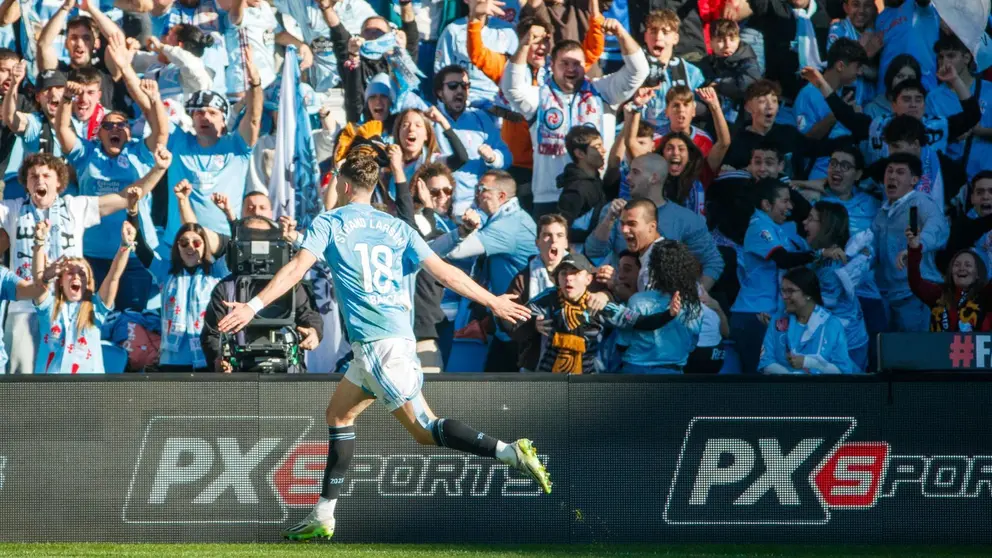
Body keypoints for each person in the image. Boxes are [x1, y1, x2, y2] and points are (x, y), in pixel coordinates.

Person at [216, 153, 550, 541]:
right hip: (390, 338)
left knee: (425, 431)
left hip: (377, 344)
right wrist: (492, 300)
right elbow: (444, 271)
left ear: (341, 186)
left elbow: (295, 268)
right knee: (339, 415)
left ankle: (510, 452)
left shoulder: (330, 221)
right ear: (373, 186)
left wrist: (253, 306)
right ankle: (323, 515)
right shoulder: (396, 226)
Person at [0, 148, 169, 374]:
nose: (40, 180)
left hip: (67, 308)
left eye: (46, 175)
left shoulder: (75, 206)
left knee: (67, 376)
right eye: (33, 176)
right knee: (21, 381)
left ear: (59, 182)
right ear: (26, 183)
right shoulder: (12, 208)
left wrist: (158, 169)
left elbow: (125, 196)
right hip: (24, 308)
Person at [503, 18, 647, 216]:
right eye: (564, 63)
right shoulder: (539, 96)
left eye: (577, 63)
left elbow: (639, 71)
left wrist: (621, 34)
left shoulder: (602, 91)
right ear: (551, 65)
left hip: (594, 193)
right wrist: (525, 43)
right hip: (549, 196)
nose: (571, 68)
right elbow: (511, 86)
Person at [730, 179, 842, 374]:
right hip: (754, 313)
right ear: (766, 205)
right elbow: (782, 259)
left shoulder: (779, 230)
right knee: (758, 377)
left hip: (772, 313)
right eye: (785, 201)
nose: (790, 207)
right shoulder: (759, 227)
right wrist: (820, 254)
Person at [432, 170, 538, 371]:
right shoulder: (504, 218)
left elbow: (457, 251)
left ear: (502, 196)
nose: (477, 194)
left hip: (520, 324)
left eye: (482, 189)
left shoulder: (509, 225)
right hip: (506, 321)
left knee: (510, 391)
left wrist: (464, 228)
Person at [201, 216, 323, 372]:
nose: (257, 245)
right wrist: (218, 359)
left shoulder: (288, 284)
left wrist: (314, 332)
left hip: (286, 370)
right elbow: (211, 334)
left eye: (263, 238)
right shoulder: (227, 288)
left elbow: (309, 315)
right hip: (240, 371)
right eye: (250, 238)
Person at [586, 154, 723, 289]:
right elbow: (594, 251)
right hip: (620, 298)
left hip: (663, 305)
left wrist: (696, 297)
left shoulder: (686, 220)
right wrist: (608, 220)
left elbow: (713, 262)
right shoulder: (615, 211)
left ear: (654, 178)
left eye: (635, 172)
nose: (627, 178)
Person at [30, 218, 133, 374]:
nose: (76, 277)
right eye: (70, 273)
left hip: (88, 390)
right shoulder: (49, 306)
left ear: (89, 282)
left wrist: (125, 246)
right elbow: (38, 284)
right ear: (60, 281)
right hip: (50, 390)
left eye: (82, 274)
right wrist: (39, 242)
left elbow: (113, 276)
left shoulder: (96, 308)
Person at [871, 153, 948, 332]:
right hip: (888, 293)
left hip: (915, 292)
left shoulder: (920, 201)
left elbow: (939, 227)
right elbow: (873, 250)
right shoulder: (882, 212)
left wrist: (916, 246)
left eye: (900, 172)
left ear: (914, 180)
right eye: (889, 171)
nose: (892, 176)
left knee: (915, 352)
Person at [432, 65, 511, 216]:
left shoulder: (480, 118)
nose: (460, 91)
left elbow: (506, 157)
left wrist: (493, 157)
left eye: (465, 86)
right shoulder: (430, 121)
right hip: (439, 207)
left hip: (475, 208)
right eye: (453, 86)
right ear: (440, 92)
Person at [618, 239, 703, 373]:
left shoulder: (637, 301)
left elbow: (622, 342)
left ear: (653, 268)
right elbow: (692, 345)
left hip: (635, 373)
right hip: (672, 375)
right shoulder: (693, 305)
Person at [804, 201, 869, 370]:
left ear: (826, 226)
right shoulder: (823, 256)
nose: (804, 222)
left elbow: (824, 305)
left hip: (846, 346)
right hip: (841, 342)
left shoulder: (832, 264)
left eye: (811, 218)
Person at [501, 213, 571, 372]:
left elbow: (606, 300)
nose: (554, 241)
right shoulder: (522, 279)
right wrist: (533, 324)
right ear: (537, 242)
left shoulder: (584, 272)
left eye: (559, 235)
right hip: (535, 362)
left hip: (577, 363)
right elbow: (507, 321)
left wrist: (604, 295)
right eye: (547, 235)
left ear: (566, 242)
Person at [759, 267, 859, 374]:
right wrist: (793, 379)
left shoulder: (831, 325)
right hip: (785, 389)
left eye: (790, 291)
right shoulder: (778, 320)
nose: (784, 296)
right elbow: (766, 362)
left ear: (808, 294)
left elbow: (842, 371)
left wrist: (809, 362)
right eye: (783, 291)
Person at [793, 38, 867, 179]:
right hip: (817, 173)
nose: (859, 73)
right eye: (856, 67)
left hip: (846, 174)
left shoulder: (848, 92)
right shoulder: (808, 94)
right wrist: (839, 113)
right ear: (840, 66)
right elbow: (807, 138)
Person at [907, 226, 992, 332]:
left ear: (978, 274)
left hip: (974, 348)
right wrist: (914, 249)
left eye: (968, 265)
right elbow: (915, 283)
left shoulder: (985, 296)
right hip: (938, 348)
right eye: (957, 265)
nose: (962, 268)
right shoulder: (938, 294)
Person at [638, 9, 706, 132]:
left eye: (665, 32)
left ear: (675, 38)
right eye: (653, 31)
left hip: (677, 140)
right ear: (645, 37)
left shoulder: (691, 73)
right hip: (642, 137)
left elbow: (703, 111)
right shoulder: (633, 70)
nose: (658, 37)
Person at [697, 18, 761, 125]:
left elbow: (747, 84)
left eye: (732, 39)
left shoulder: (747, 59)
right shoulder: (706, 63)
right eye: (720, 40)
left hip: (742, 119)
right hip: (712, 119)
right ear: (711, 42)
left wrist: (719, 84)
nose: (727, 45)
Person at [556, 125, 608, 245]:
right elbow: (562, 229)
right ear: (580, 153)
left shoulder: (594, 179)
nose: (603, 150)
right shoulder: (576, 189)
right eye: (597, 146)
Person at [875, 0, 939, 93]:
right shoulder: (881, 17)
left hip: (922, 90)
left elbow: (923, 2)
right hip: (886, 94)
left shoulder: (921, 7)